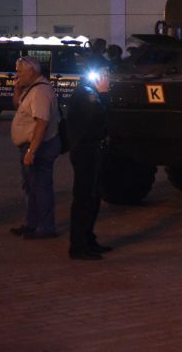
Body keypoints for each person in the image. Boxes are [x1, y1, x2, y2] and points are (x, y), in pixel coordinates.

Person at [9, 56, 62, 240]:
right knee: (31, 187)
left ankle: (46, 227)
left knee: (40, 187)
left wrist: (32, 150)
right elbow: (18, 105)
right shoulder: (31, 89)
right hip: (32, 146)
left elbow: (42, 122)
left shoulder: (40, 92)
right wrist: (17, 89)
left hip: (40, 147)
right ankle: (31, 223)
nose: (17, 75)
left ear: (31, 71)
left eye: (20, 71)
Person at [66, 70, 113, 261]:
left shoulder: (86, 91)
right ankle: (78, 246)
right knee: (84, 198)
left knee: (93, 197)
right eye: (106, 75)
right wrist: (103, 94)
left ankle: (88, 239)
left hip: (89, 150)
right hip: (86, 151)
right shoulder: (88, 94)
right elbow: (97, 118)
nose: (109, 78)